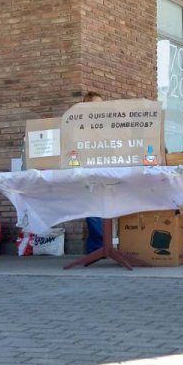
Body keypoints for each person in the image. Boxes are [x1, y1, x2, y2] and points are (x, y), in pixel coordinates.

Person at [82, 91, 105, 254]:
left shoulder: (105, 125)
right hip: (88, 172)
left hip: (104, 172)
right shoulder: (82, 126)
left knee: (102, 210)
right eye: (96, 104)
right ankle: (97, 248)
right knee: (94, 211)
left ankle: (100, 247)